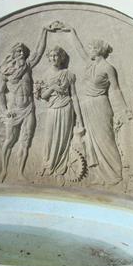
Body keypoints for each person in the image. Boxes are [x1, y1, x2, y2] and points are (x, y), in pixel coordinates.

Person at [68, 28, 132, 186]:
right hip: (86, 106)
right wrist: (71, 32)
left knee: (105, 140)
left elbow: (116, 89)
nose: (88, 50)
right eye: (89, 48)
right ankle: (98, 174)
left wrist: (124, 109)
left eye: (91, 48)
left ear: (97, 50)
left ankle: (115, 174)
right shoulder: (90, 65)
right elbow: (79, 49)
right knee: (91, 141)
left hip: (100, 105)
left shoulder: (108, 68)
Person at [0, 27, 48, 182]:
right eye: (18, 51)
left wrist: (44, 31)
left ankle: (20, 173)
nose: (20, 54)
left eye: (22, 51)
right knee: (9, 140)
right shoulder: (5, 71)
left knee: (25, 141)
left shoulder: (27, 66)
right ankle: (3, 171)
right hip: (13, 110)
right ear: (13, 53)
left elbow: (39, 52)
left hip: (29, 108)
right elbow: (0, 93)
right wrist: (4, 110)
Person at [36, 46, 84, 177]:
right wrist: (52, 87)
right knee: (49, 138)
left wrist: (79, 117)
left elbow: (74, 96)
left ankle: (59, 167)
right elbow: (43, 96)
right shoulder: (45, 75)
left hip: (66, 108)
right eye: (51, 56)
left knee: (63, 139)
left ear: (61, 58)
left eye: (56, 55)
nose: (53, 58)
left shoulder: (68, 74)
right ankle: (47, 164)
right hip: (52, 109)